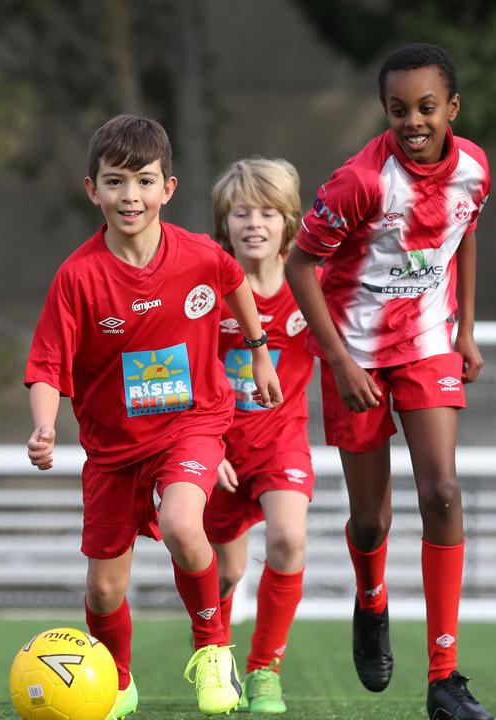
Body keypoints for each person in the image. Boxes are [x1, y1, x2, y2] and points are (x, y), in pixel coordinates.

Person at [24, 114, 283, 719]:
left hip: (192, 425)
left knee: (182, 524)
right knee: (103, 589)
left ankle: (213, 651)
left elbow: (234, 281)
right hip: (113, 450)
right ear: (93, 190)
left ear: (168, 188)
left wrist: (259, 350)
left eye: (143, 181)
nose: (130, 196)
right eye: (115, 182)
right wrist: (42, 425)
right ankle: (117, 682)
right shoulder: (77, 277)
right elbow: (45, 365)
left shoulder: (198, 255)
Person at [285, 43, 494, 720]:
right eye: (399, 109)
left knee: (443, 490)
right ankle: (370, 598)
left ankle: (444, 677)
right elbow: (299, 267)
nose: (414, 121)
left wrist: (464, 327)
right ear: (385, 111)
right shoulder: (360, 183)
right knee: (371, 520)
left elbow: (464, 229)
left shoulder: (475, 168)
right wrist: (339, 360)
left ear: (451, 109)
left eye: (427, 107)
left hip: (429, 343)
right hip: (359, 355)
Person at [204, 158, 314, 714]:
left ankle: (264, 669)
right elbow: (176, 369)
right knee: (225, 571)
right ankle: (216, 660)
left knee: (289, 540)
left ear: (288, 221)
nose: (254, 223)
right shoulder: (204, 288)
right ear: (223, 224)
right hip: (217, 447)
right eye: (241, 212)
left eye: (268, 212)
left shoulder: (309, 283)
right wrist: (201, 447)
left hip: (281, 440)